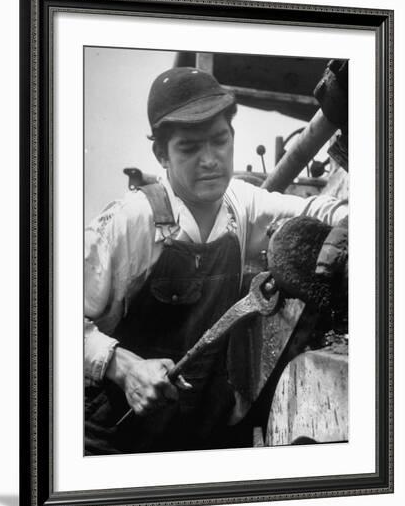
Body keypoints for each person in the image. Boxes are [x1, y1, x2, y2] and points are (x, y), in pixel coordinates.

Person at [84, 66, 348, 455]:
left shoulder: (242, 203)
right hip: (118, 441)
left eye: (219, 141)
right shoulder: (127, 222)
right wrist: (122, 367)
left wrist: (349, 226)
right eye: (189, 148)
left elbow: (321, 210)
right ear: (161, 154)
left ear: (232, 138)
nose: (210, 159)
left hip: (200, 437)